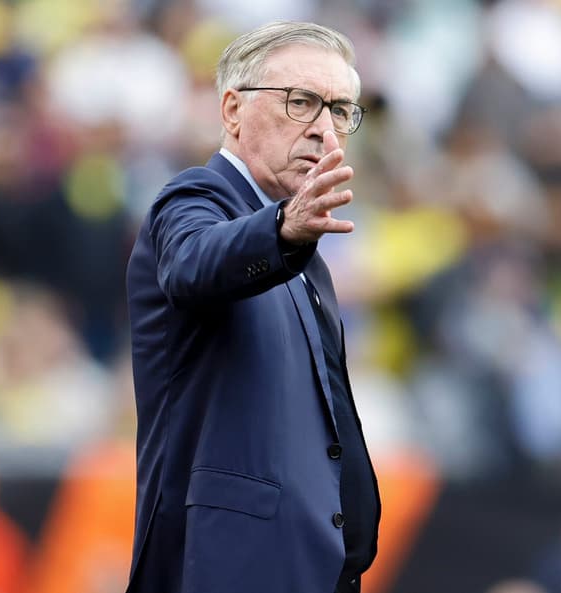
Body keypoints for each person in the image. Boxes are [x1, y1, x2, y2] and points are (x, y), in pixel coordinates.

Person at [125, 21, 380, 593]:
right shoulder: (196, 197)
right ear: (233, 110)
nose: (325, 130)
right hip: (225, 568)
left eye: (341, 110)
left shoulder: (300, 246)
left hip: (307, 568)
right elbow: (194, 263)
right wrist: (283, 231)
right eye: (302, 102)